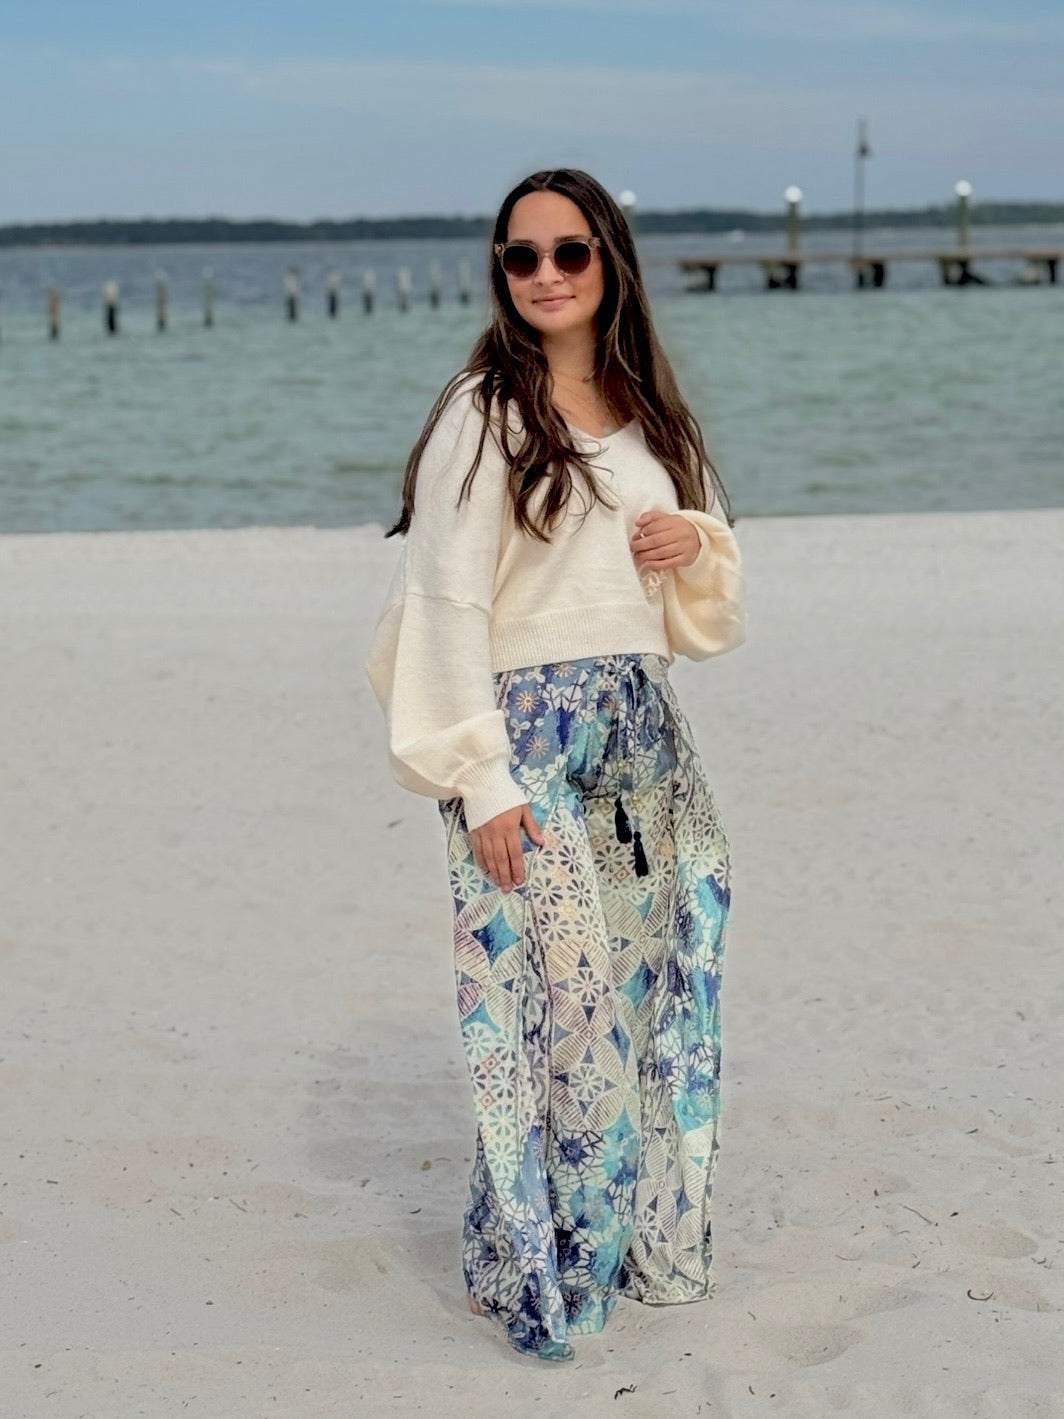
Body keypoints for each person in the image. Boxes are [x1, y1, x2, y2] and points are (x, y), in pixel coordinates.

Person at [365, 168, 746, 1363]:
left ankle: (593, 1242)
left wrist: (695, 541)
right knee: (558, 1018)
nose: (541, 276)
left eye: (566, 253)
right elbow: (441, 605)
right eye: (518, 256)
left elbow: (697, 611)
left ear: (608, 263)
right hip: (526, 748)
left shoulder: (648, 415)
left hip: (645, 742)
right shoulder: (485, 412)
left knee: (653, 1003)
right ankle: (541, 1266)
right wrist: (480, 780)